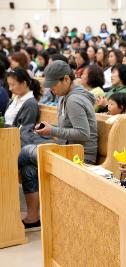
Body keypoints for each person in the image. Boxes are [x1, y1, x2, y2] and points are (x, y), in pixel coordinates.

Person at [19, 61, 98, 230]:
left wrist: (53, 130)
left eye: (53, 85)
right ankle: (33, 218)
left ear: (66, 79)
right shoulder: (67, 96)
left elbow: (84, 134)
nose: (51, 89)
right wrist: (52, 130)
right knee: (28, 171)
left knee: (26, 151)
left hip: (80, 157)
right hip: (68, 151)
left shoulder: (74, 100)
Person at [4, 68, 42, 147]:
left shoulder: (30, 104)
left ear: (24, 83)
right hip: (6, 137)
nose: (10, 88)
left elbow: (24, 132)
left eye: (13, 85)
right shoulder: (14, 99)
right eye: (9, 85)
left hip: (15, 142)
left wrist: (5, 127)